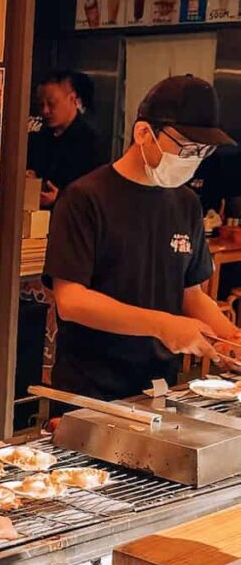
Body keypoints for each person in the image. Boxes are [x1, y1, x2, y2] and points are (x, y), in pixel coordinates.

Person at [44, 74, 239, 401]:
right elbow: (71, 301)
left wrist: (229, 337)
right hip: (91, 388)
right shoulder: (85, 198)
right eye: (187, 147)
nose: (193, 159)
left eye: (202, 151)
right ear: (144, 133)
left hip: (159, 386)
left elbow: (191, 294)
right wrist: (162, 325)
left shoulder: (186, 203)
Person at [28, 70, 107, 208]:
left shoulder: (90, 142)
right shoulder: (38, 137)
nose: (45, 111)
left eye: (51, 104)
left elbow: (97, 192)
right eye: (41, 105)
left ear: (72, 99)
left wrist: (60, 197)